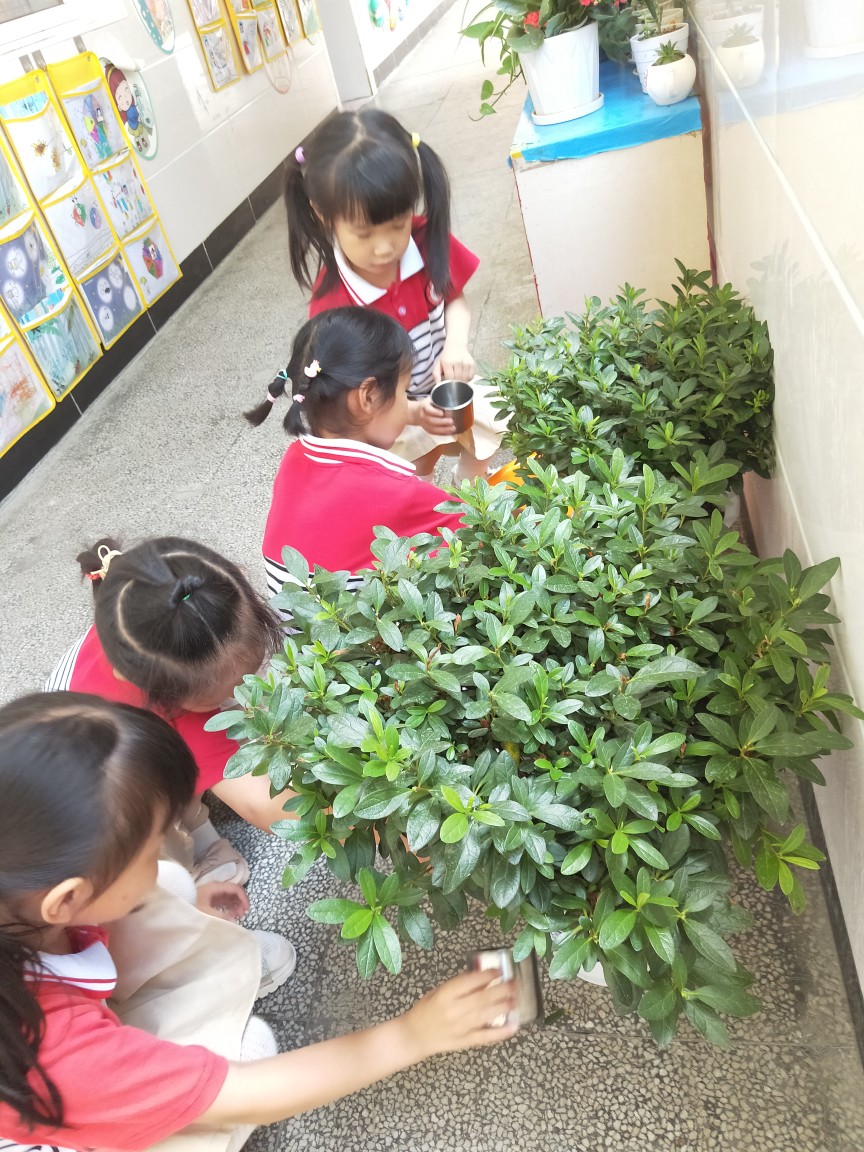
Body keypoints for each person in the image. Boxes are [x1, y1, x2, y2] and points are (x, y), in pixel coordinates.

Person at [0, 693, 518, 1152]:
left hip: (63, 1005)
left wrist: (189, 905)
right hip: (62, 1110)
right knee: (252, 1051)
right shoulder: (58, 1060)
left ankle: (186, 961)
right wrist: (413, 1035)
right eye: (152, 845)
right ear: (65, 900)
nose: (163, 851)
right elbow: (249, 1094)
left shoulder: (20, 894)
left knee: (172, 887)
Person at [283, 108, 508, 482]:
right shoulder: (334, 300)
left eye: (397, 225)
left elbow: (455, 299)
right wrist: (409, 413)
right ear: (322, 213)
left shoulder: (426, 240)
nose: (385, 247)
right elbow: (347, 392)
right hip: (389, 411)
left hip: (445, 385)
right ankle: (423, 499)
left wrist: (456, 346)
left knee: (490, 420)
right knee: (412, 468)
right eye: (364, 233)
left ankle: (469, 486)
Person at [45, 536, 291, 852]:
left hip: (70, 717)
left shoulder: (134, 622)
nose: (242, 689)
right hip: (93, 803)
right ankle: (194, 844)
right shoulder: (177, 725)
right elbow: (268, 809)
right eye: (217, 696)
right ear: (167, 698)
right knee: (154, 837)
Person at [245, 308, 465, 598]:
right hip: (352, 626)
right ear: (368, 396)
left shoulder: (294, 458)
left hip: (295, 622)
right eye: (405, 392)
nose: (408, 402)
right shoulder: (394, 489)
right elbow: (479, 526)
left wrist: (415, 414)